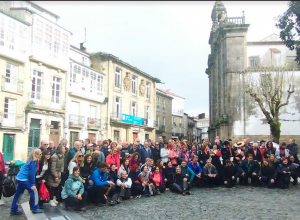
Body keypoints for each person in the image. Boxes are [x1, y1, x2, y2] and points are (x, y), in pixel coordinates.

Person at [10, 148, 43, 215]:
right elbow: (31, 174)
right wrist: (32, 184)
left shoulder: (30, 160)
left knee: (18, 194)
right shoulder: (34, 162)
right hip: (24, 179)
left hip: (20, 178)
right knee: (34, 192)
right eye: (40, 154)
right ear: (36, 154)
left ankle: (14, 209)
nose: (41, 155)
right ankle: (35, 208)